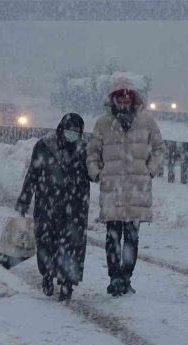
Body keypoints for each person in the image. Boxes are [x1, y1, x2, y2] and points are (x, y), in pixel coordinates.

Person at [86, 77, 166, 297]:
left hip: (136, 191)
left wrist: (150, 170)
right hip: (112, 189)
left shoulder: (147, 122)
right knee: (112, 237)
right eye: (119, 96)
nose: (123, 100)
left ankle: (126, 277)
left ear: (132, 97)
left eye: (127, 95)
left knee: (131, 238)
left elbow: (160, 149)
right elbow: (92, 152)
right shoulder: (103, 124)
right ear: (113, 98)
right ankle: (115, 278)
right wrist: (97, 173)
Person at [15, 113, 91, 301]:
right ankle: (47, 275)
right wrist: (25, 199)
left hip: (75, 205)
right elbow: (33, 173)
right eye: (69, 129)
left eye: (76, 131)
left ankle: (67, 282)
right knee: (46, 242)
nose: (72, 134)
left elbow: (94, 173)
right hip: (47, 203)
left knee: (72, 245)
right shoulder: (44, 146)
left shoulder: (85, 149)